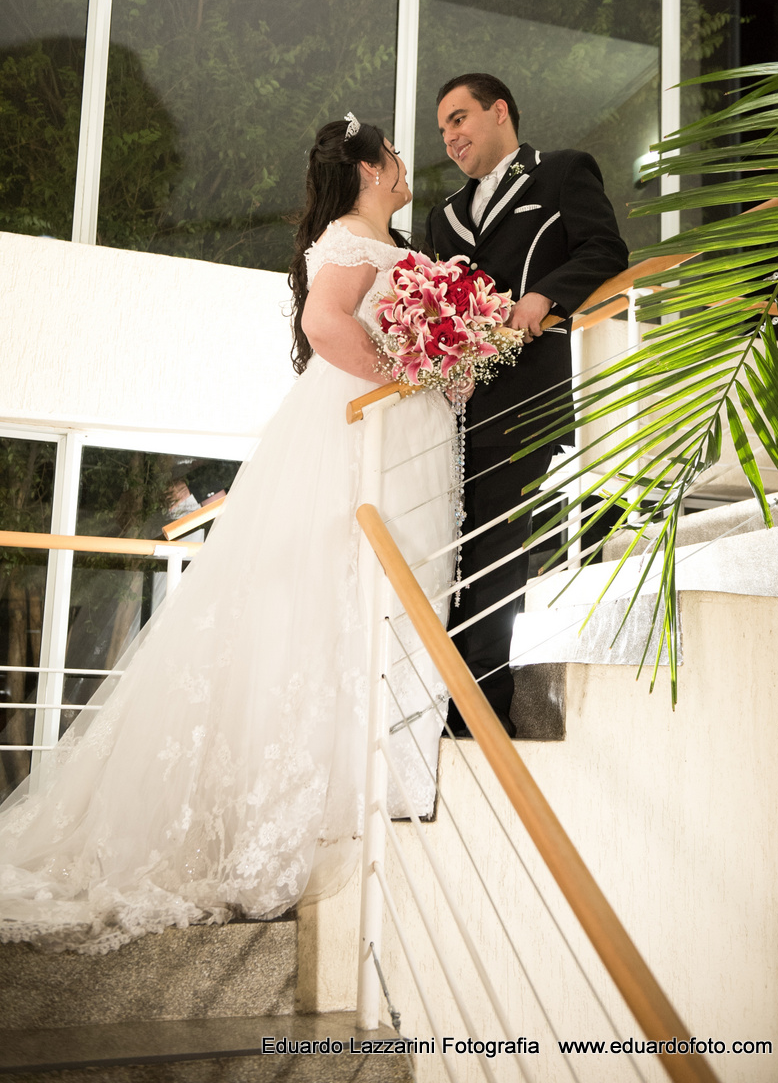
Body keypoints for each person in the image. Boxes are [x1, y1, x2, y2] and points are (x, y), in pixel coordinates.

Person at [0, 118, 455, 954]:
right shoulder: (353, 239)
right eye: (391, 157)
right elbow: (325, 327)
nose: (402, 170)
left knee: (382, 590)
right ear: (365, 167)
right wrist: (411, 377)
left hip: (405, 433)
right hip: (364, 427)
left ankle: (381, 773)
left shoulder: (376, 239)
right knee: (347, 590)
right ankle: (327, 797)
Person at [426, 73, 629, 738]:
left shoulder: (563, 173)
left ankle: (479, 700)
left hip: (526, 400)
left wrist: (545, 294)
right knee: (449, 549)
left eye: (459, 118)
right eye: (442, 128)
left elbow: (604, 249)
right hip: (448, 409)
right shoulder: (442, 214)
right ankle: (442, 690)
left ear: (499, 112)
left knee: (499, 548)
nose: (451, 136)